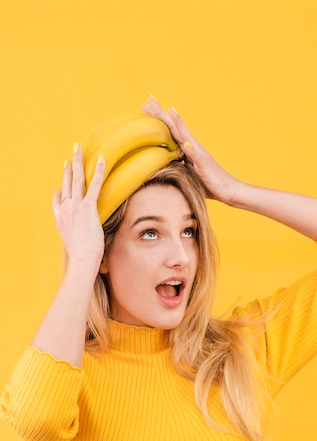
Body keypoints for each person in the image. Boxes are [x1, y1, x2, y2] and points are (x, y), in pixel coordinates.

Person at [0, 96, 316, 441]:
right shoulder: (72, 377)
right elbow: (35, 425)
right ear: (101, 253)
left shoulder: (239, 355)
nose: (180, 254)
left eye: (188, 230)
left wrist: (236, 192)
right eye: (150, 233)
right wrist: (82, 261)